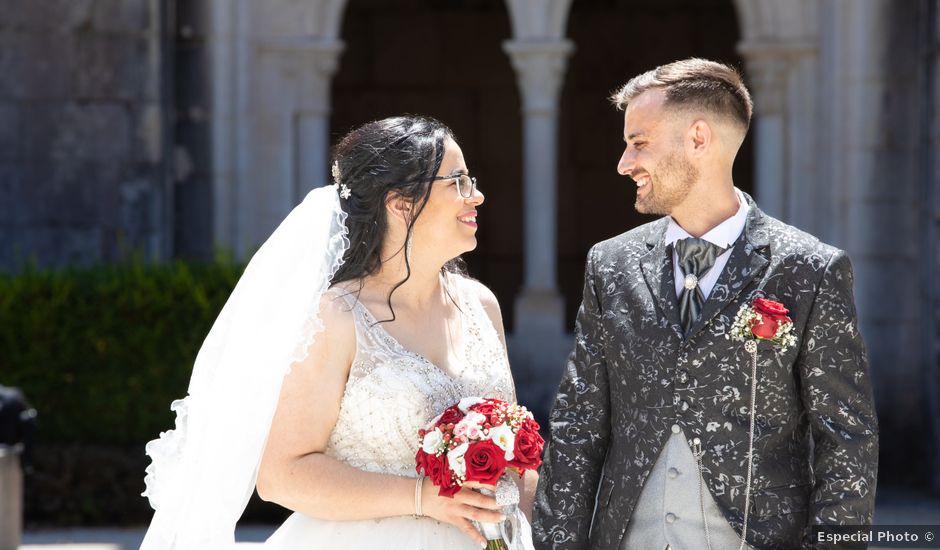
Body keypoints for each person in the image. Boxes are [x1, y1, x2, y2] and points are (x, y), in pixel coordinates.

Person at [141, 116, 537, 549]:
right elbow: (281, 475)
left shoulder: (481, 305)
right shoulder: (338, 317)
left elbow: (519, 457)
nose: (476, 195)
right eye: (457, 182)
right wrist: (425, 498)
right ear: (401, 202)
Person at [533, 59, 878, 550]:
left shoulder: (809, 270)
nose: (624, 163)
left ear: (698, 139)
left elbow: (845, 439)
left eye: (639, 142)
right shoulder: (610, 265)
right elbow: (578, 425)